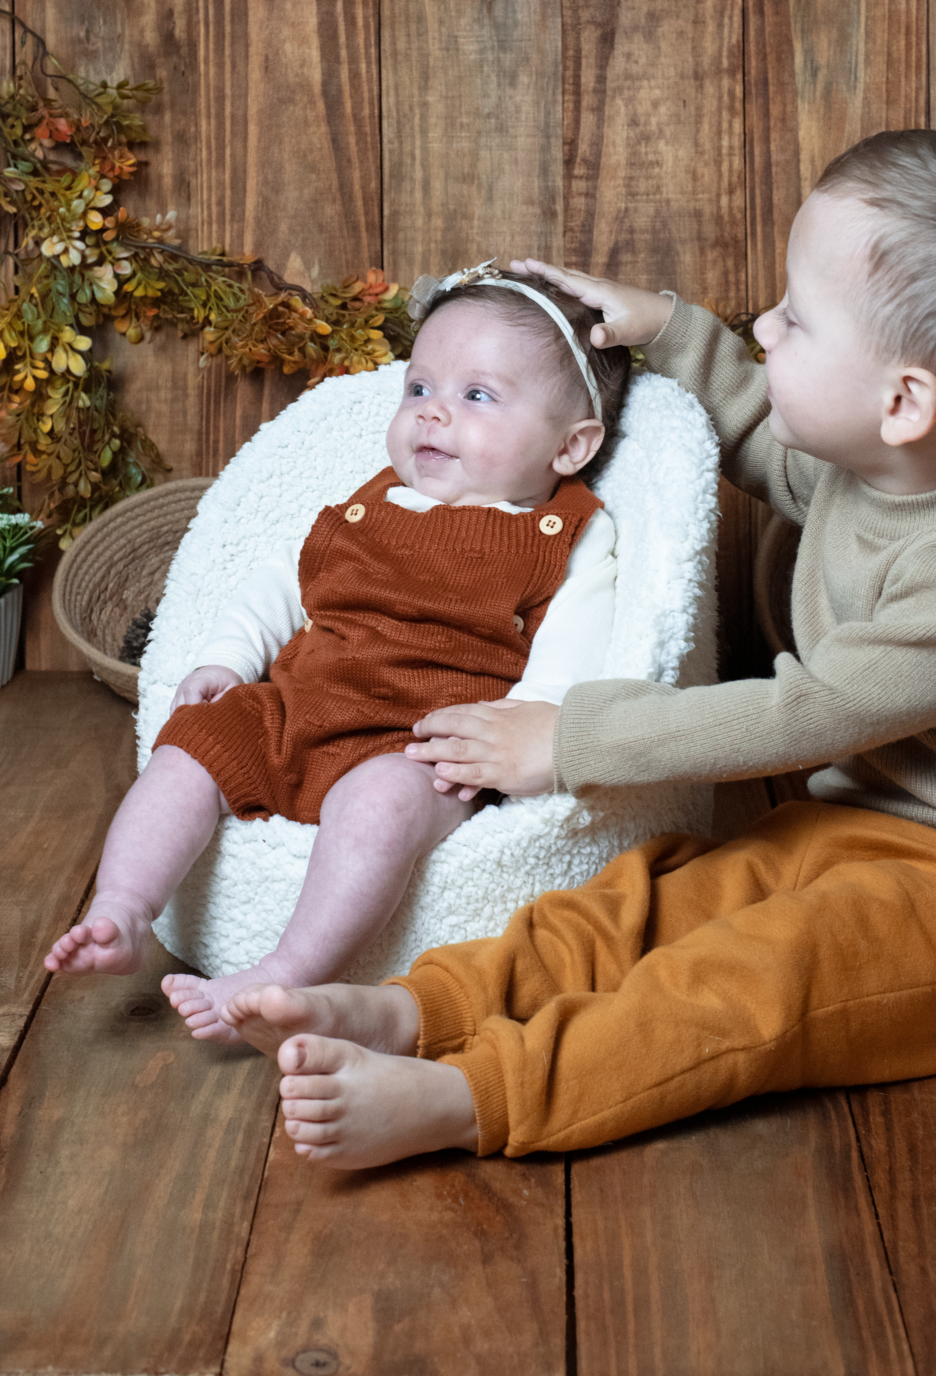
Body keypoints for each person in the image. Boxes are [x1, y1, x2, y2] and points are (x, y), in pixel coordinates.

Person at [228, 128, 936, 1172]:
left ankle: (472, 1095)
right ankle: (415, 1011)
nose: (766, 325)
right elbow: (758, 431)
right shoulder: (887, 466)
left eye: (796, 318)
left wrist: (569, 739)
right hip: (855, 830)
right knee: (649, 899)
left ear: (903, 403)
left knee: (747, 982)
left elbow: (807, 711)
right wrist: (666, 325)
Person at [44, 265, 630, 1042]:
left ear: (570, 446)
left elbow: (569, 659)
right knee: (189, 747)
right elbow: (283, 585)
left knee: (381, 807)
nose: (432, 413)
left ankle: (285, 972)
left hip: (418, 745)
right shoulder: (372, 501)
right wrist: (228, 659)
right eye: (419, 388)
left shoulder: (565, 533)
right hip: (296, 707)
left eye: (477, 395)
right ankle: (123, 906)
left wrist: (523, 733)